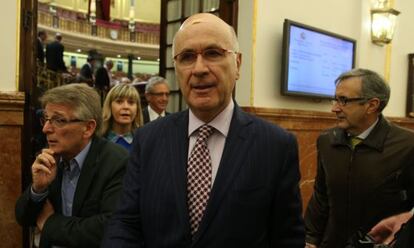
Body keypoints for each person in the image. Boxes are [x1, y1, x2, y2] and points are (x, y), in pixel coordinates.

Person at [102, 13, 304, 247]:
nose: (199, 69)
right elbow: (125, 223)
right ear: (176, 69)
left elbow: (287, 238)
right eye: (187, 57)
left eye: (213, 53)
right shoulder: (148, 139)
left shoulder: (276, 146)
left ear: (237, 64)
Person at [304, 68, 414, 248]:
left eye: (344, 100)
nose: (334, 108)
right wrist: (310, 239)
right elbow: (321, 196)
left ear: (372, 105)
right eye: (335, 99)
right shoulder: (326, 141)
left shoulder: (408, 145)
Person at [15, 83, 129, 247]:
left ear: (88, 128)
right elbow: (22, 217)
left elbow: (108, 228)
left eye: (58, 120)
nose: (46, 128)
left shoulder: (117, 162)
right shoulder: (50, 158)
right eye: (46, 119)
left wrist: (50, 223)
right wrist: (37, 189)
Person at [100, 83, 143, 152]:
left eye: (131, 102)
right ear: (109, 106)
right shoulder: (97, 141)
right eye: (119, 101)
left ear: (137, 109)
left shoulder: (144, 142)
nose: (126, 107)